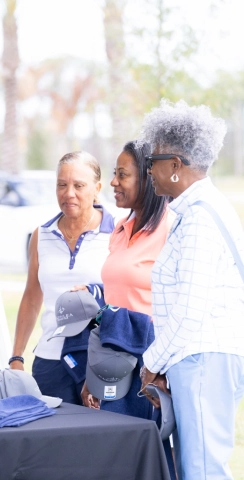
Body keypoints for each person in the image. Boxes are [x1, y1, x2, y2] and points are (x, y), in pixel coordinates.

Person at [138, 100, 244, 479]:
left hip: (202, 359)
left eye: (152, 161)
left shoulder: (199, 218)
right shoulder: (203, 210)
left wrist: (152, 362)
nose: (148, 170)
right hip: (204, 358)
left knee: (201, 471)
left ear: (176, 166)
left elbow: (189, 310)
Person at [9, 151, 114, 405]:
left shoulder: (117, 232)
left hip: (99, 360)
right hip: (49, 362)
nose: (69, 193)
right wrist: (16, 356)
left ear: (97, 188)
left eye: (79, 186)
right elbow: (32, 297)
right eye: (62, 185)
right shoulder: (41, 235)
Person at [80, 140, 170, 409]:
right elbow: (113, 302)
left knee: (146, 446)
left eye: (122, 174)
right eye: (114, 173)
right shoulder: (120, 229)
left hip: (151, 364)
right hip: (114, 359)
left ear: (147, 177)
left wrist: (160, 371)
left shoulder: (170, 228)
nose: (113, 182)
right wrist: (94, 372)